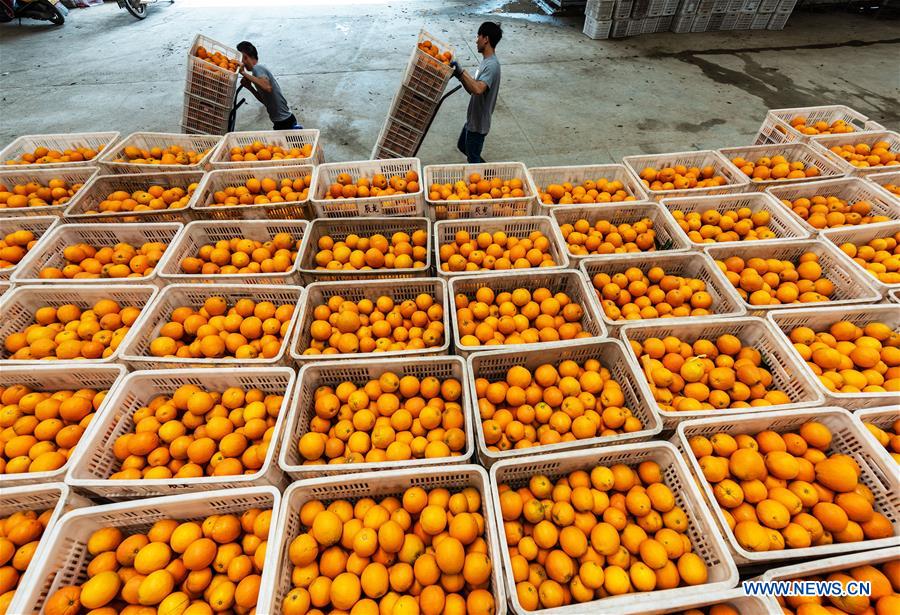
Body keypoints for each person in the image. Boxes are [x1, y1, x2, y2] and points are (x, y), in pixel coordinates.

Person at [451, 22, 502, 163]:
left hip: (479, 124)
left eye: (478, 36)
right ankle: (487, 171)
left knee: (473, 160)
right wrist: (460, 76)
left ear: (486, 39)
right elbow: (473, 89)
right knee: (463, 146)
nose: (476, 40)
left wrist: (461, 71)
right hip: (473, 120)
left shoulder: (492, 65)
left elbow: (478, 89)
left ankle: (489, 177)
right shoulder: (485, 62)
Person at [236, 41, 301, 130]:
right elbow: (266, 101)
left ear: (245, 57)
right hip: (282, 121)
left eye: (240, 59)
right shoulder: (257, 74)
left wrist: (243, 72)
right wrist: (250, 87)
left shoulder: (257, 68)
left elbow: (267, 87)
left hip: (284, 121)